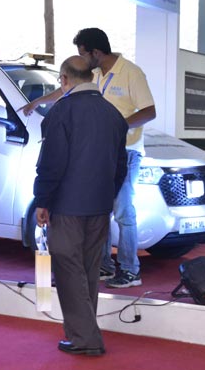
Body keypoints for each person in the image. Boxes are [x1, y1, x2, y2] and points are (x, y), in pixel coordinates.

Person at [22, 28, 156, 288]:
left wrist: (116, 127)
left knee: (123, 211)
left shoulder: (132, 72)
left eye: (82, 53)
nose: (81, 59)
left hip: (126, 151)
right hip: (98, 151)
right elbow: (65, 90)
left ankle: (130, 269)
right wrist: (37, 102)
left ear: (96, 52)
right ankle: (103, 265)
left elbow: (150, 111)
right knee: (99, 210)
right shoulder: (92, 73)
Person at [34, 55, 128, 356]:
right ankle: (83, 332)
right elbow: (121, 167)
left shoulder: (61, 112)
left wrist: (42, 200)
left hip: (68, 206)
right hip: (100, 205)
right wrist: (107, 196)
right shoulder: (113, 114)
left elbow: (51, 164)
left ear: (64, 79)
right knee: (88, 270)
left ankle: (85, 338)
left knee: (68, 269)